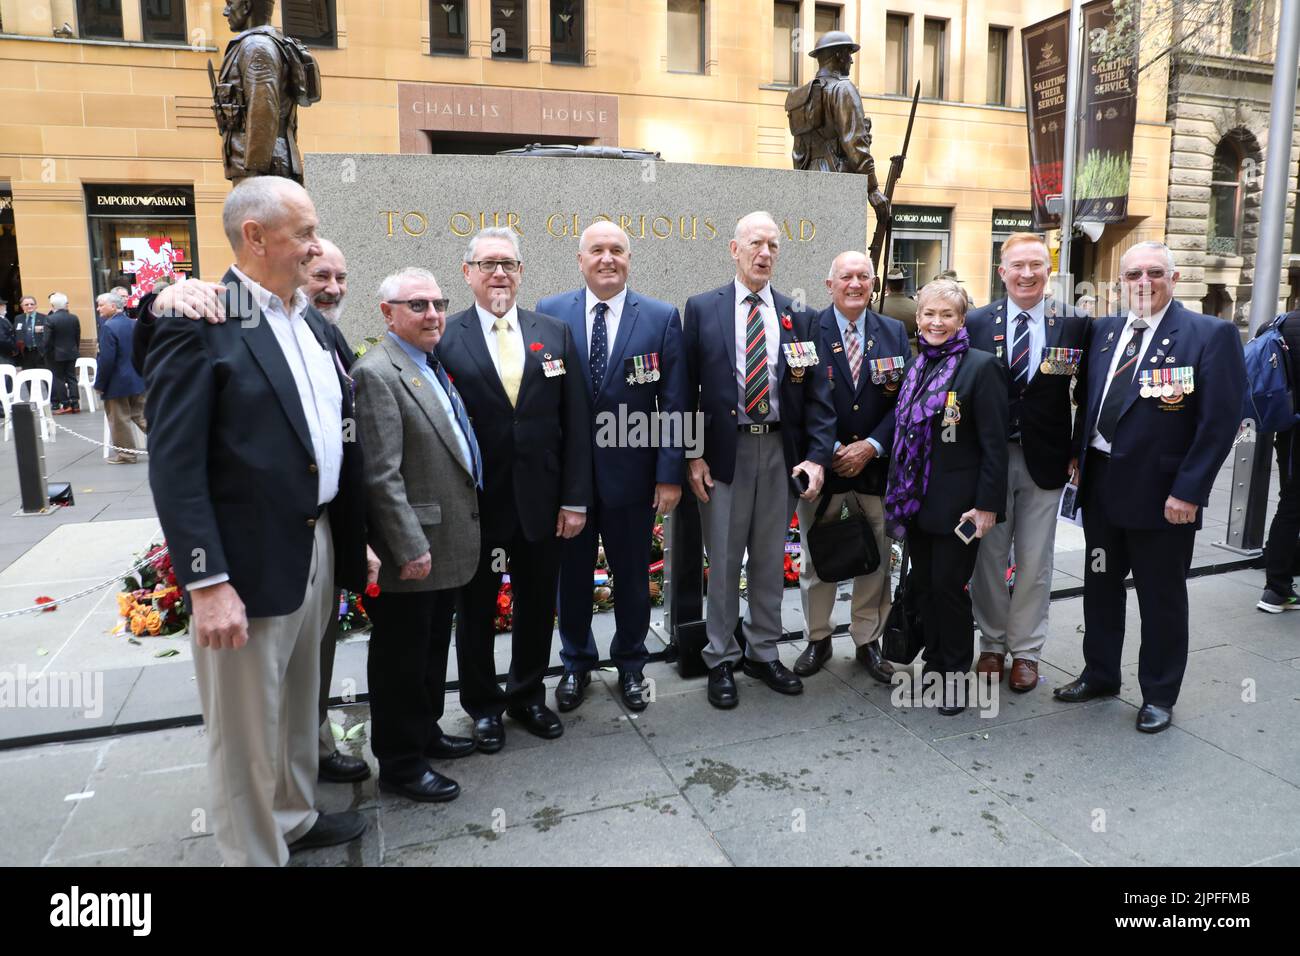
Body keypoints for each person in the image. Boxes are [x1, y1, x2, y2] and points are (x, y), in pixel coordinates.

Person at [145, 176, 370, 865]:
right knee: (244, 727)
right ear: (255, 235)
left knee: (301, 700)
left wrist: (352, 542)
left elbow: (334, 437)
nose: (313, 245)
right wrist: (207, 581)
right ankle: (253, 854)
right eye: (303, 232)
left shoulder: (311, 321)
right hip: (245, 557)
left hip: (318, 538)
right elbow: (175, 465)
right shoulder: (202, 319)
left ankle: (295, 818)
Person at [1057, 241, 1246, 733]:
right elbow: (1090, 401)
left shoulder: (1210, 335)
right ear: (1121, 281)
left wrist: (1189, 491)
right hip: (1101, 485)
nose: (1144, 282)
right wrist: (1077, 457)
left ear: (1174, 278)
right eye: (1134, 274)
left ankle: (1159, 693)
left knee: (1160, 597)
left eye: (1155, 272)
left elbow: (1219, 423)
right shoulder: (1104, 331)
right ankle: (1099, 673)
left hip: (1164, 497)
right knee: (1099, 587)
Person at [437, 227, 592, 753]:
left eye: (508, 263)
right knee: (476, 608)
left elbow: (576, 423)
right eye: (487, 265)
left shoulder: (553, 333)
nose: (499, 273)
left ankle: (527, 695)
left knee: (535, 602)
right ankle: (482, 706)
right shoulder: (444, 338)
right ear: (468, 274)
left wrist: (574, 499)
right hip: (476, 505)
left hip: (542, 504)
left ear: (522, 271)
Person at [683, 211, 836, 709]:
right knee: (724, 558)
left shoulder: (798, 315)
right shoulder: (702, 309)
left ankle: (764, 650)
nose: (764, 253)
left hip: (778, 452)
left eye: (772, 245)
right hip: (724, 453)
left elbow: (818, 396)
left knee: (771, 558)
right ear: (734, 249)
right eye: (755, 243)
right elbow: (685, 391)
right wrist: (692, 454)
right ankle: (721, 658)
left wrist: (815, 458)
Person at [539, 221, 687, 713]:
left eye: (617, 251)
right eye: (597, 251)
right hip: (572, 483)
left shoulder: (662, 317)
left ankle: (630, 665)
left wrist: (669, 474)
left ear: (629, 259)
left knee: (630, 578)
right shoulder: (550, 313)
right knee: (573, 579)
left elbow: (677, 401)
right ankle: (576, 665)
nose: (608, 259)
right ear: (580, 260)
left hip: (635, 480)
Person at [352, 267, 481, 801]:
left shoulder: (427, 363)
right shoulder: (377, 373)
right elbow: (381, 473)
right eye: (417, 306)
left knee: (430, 650)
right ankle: (402, 764)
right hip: (416, 547)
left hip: (446, 539)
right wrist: (408, 545)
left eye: (437, 303)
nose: (432, 314)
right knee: (402, 660)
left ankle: (424, 733)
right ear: (388, 313)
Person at [965, 233, 1087, 693]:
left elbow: (1086, 393)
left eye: (1036, 265)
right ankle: (992, 645)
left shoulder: (1074, 322)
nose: (1027, 274)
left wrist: (1077, 449)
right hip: (987, 460)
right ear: (1002, 272)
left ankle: (1027, 653)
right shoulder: (976, 322)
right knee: (988, 557)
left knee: (1035, 560)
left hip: (1046, 460)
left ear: (1048, 270)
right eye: (1017, 266)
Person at [884, 279, 1008, 715]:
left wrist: (988, 506)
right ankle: (935, 667)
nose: (937, 322)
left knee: (950, 590)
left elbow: (995, 444)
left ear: (961, 320)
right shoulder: (917, 366)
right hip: (917, 504)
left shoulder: (980, 367)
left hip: (961, 509)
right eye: (929, 315)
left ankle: (955, 679)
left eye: (947, 315)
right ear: (918, 318)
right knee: (926, 589)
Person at [792, 252, 906, 683]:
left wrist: (873, 445)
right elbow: (798, 397)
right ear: (829, 284)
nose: (855, 284)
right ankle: (817, 638)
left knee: (876, 559)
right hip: (823, 467)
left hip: (874, 468)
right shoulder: (808, 329)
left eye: (863, 276)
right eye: (846, 277)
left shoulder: (892, 330)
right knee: (816, 557)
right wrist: (832, 448)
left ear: (874, 283)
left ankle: (866, 640)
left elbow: (905, 400)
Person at [1259, 309, 1300, 612]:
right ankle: (1278, 586)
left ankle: (1277, 587)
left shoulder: (1281, 322)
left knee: (1290, 504)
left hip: (1289, 431)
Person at [92, 292, 147, 464]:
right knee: (142, 416)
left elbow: (106, 360)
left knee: (119, 420)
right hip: (137, 378)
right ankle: (172, 441)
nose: (98, 308)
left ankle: (126, 454)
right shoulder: (133, 323)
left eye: (101, 305)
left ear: (114, 306)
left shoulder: (109, 327)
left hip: (117, 383)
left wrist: (100, 383)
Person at [45, 293, 81, 413]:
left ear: (52, 305)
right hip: (72, 352)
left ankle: (65, 404)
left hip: (56, 354)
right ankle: (75, 403)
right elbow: (77, 336)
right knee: (72, 377)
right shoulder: (74, 318)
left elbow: (47, 340)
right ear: (65, 304)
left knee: (59, 379)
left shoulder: (50, 319)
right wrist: (75, 348)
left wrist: (46, 353)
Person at [880, 267, 918, 351]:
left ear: (887, 286)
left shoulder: (877, 306)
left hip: (886, 350)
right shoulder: (916, 306)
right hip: (911, 350)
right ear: (904, 285)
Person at [13, 295, 48, 373]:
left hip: (40, 352)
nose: (29, 306)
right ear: (22, 307)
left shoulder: (44, 318)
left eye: (32, 304)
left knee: (45, 376)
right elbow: (15, 333)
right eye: (26, 304)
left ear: (36, 305)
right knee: (27, 376)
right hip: (25, 352)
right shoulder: (18, 318)